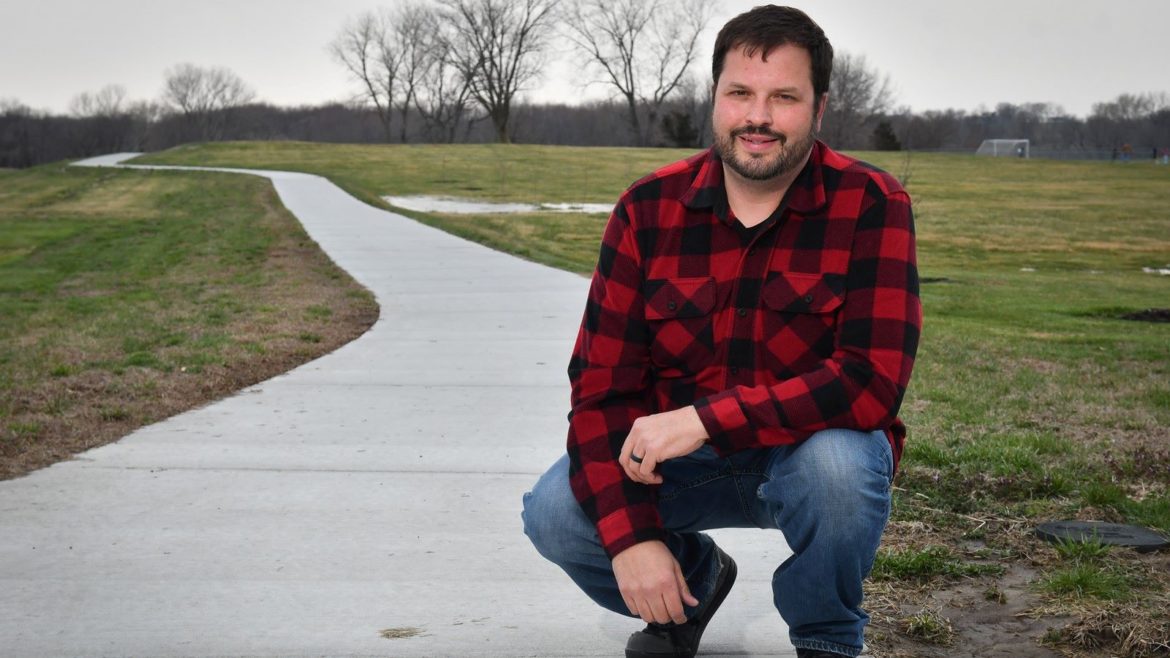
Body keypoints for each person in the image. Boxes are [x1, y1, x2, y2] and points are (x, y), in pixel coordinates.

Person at [522, 5, 921, 658]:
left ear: (818, 109)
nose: (758, 117)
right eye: (740, 93)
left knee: (843, 473)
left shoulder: (871, 205)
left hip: (804, 457)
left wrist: (706, 419)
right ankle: (693, 587)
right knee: (556, 515)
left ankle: (826, 637)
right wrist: (632, 540)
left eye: (783, 97)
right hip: (682, 468)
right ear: (716, 99)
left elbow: (869, 382)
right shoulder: (647, 210)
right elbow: (600, 392)